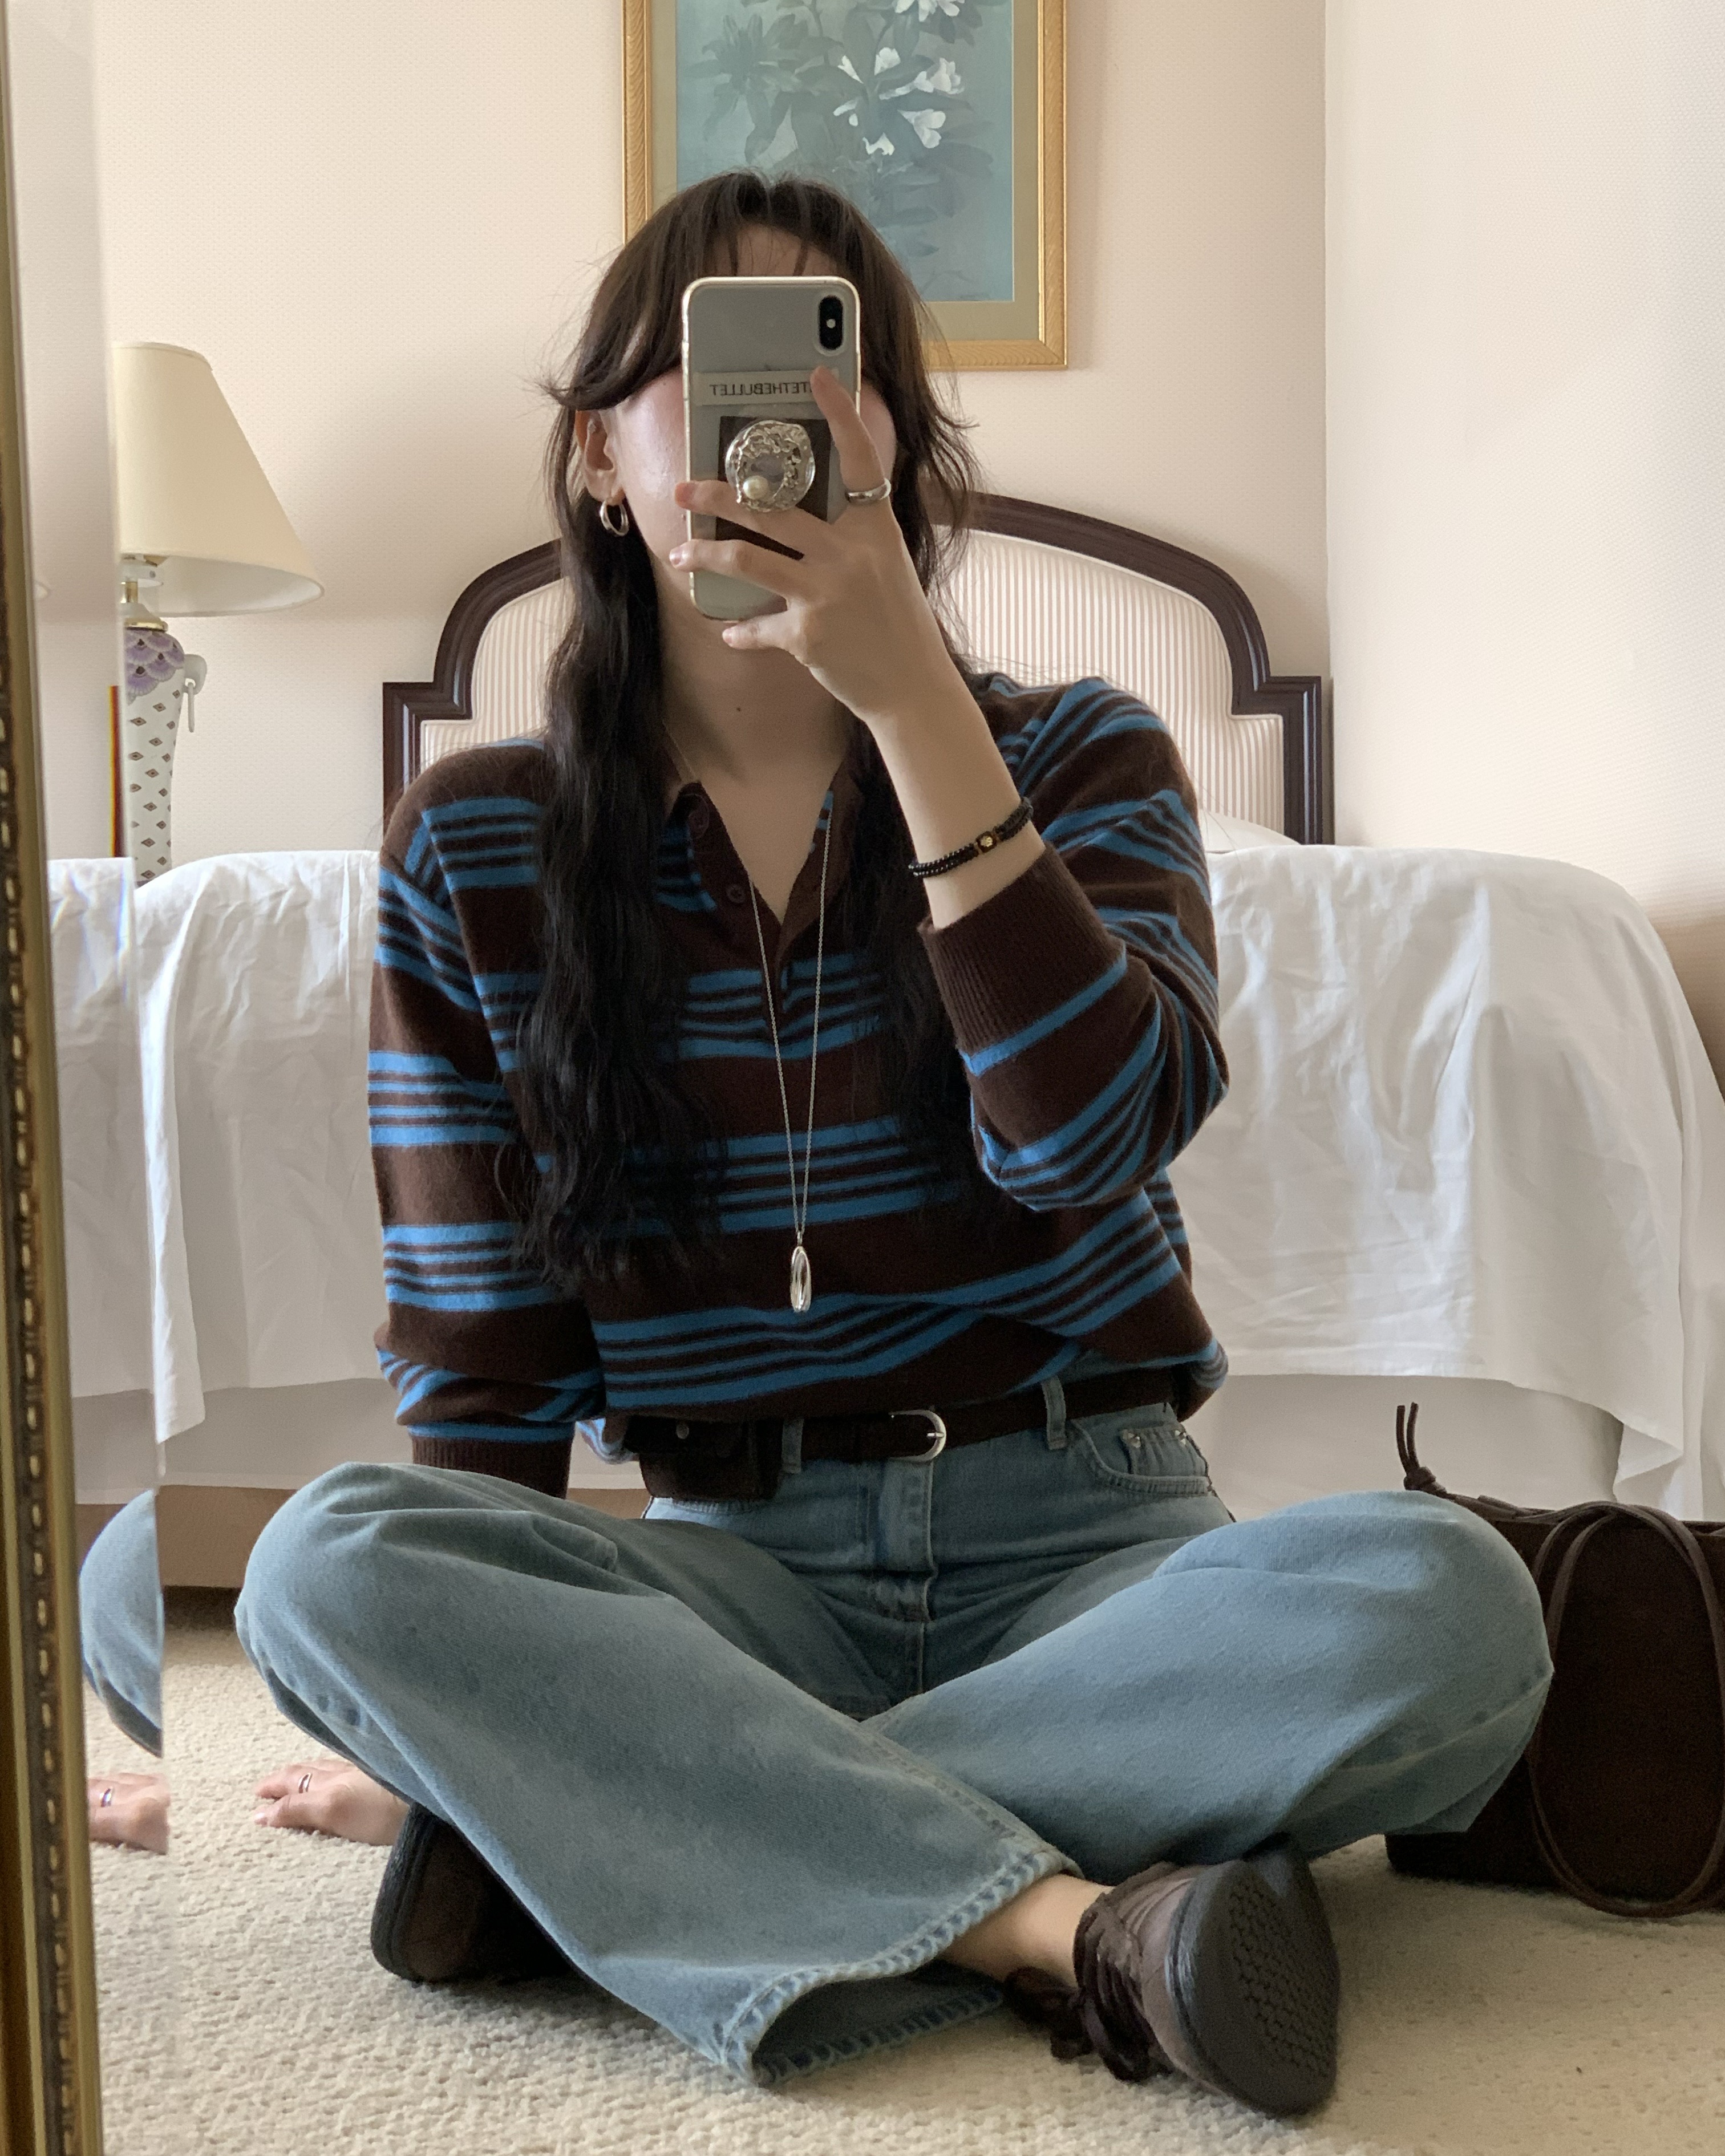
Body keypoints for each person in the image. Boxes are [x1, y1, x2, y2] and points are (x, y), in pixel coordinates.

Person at [234, 172, 1552, 2116]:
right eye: (712, 365)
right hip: (730, 1572)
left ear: (898, 445)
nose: (775, 421)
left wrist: (916, 702)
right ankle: (1061, 1921)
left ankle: (644, 1837)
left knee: (1455, 1607)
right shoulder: (477, 842)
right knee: (323, 1565)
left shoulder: (1090, 756)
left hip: (1094, 1539)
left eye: (828, 368)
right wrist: (444, 1683)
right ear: (600, 453)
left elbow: (1089, 1140)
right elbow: (484, 1357)